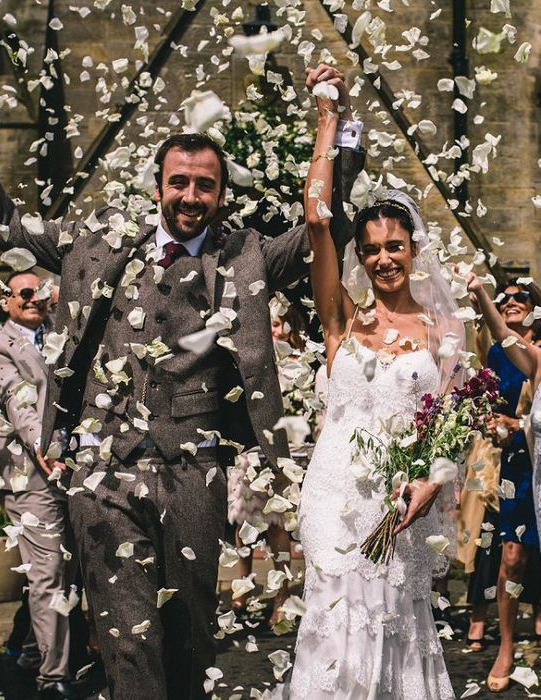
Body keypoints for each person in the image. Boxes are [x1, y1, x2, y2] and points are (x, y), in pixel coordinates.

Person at [0, 62, 364, 699]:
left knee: (189, 631)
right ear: (158, 187)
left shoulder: (247, 254)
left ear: (221, 194)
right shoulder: (94, 245)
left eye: (205, 186)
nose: (191, 197)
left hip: (195, 473)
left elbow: (324, 224)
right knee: (126, 634)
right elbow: (1, 226)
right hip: (103, 472)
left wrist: (337, 124)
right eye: (179, 183)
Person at [290, 74, 459, 698]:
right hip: (332, 495)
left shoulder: (444, 330)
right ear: (358, 257)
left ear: (414, 249)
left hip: (397, 504)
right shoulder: (341, 319)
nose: (383, 259)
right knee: (335, 626)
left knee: (390, 621)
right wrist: (328, 118)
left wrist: (430, 481)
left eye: (394, 247)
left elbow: (449, 431)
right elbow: (315, 218)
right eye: (369, 251)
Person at [0, 271, 77, 699]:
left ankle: (33, 655)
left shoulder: (67, 334)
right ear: (6, 301)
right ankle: (53, 678)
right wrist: (44, 445)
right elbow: (17, 398)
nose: (35, 299)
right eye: (25, 293)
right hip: (28, 471)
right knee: (47, 573)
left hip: (78, 466)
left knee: (69, 569)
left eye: (41, 291)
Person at [468, 274, 541, 692]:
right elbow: (484, 401)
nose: (512, 301)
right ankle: (507, 645)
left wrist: (521, 422)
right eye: (506, 297)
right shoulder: (499, 352)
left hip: (538, 454)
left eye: (521, 296)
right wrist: (493, 423)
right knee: (511, 556)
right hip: (515, 462)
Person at [226, 305, 311, 628]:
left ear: (291, 328)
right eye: (271, 325)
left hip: (282, 453)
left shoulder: (297, 366)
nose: (274, 331)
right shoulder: (256, 360)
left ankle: (281, 593)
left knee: (276, 525)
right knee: (243, 521)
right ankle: (244, 583)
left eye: (279, 325)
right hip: (250, 449)